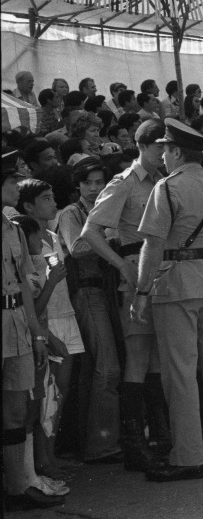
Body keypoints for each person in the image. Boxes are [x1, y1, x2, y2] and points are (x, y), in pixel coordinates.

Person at [129, 119, 203, 481]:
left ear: (175, 151)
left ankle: (188, 457)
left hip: (177, 283)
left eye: (166, 150)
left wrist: (142, 292)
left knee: (181, 373)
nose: (164, 156)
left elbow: (153, 244)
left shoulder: (166, 188)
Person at [79, 119, 170, 472]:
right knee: (137, 359)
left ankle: (159, 433)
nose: (165, 153)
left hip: (162, 273)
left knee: (157, 360)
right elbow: (91, 231)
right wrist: (121, 265)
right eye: (160, 146)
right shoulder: (124, 183)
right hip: (136, 271)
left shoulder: (164, 181)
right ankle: (135, 444)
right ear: (145, 146)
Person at [2, 152, 64, 510]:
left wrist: (37, 333)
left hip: (16, 324)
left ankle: (18, 485)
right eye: (11, 181)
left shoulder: (13, 229)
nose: (16, 185)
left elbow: (25, 286)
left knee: (15, 411)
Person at [56, 156, 124, 464]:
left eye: (99, 182)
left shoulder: (108, 208)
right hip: (87, 291)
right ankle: (101, 445)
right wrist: (110, 238)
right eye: (88, 183)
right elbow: (77, 248)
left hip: (109, 290)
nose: (94, 188)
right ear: (78, 185)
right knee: (106, 366)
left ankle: (103, 439)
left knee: (104, 366)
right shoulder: (72, 212)